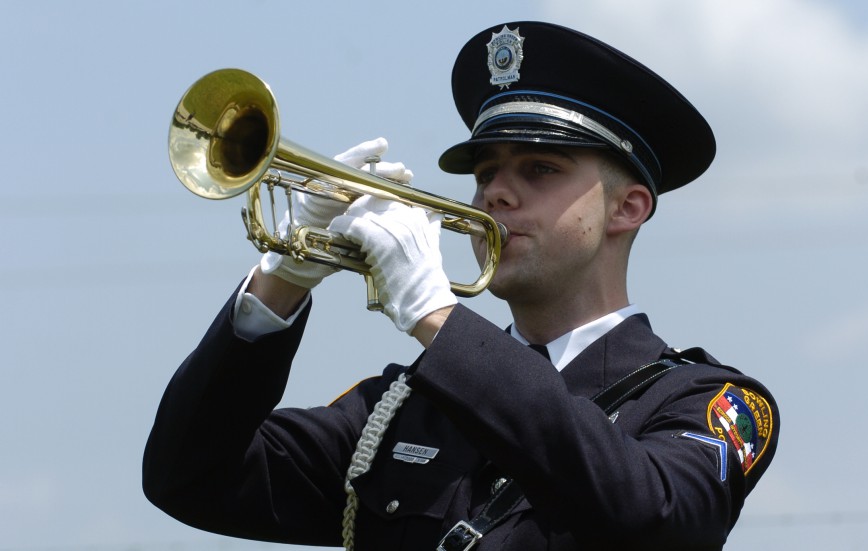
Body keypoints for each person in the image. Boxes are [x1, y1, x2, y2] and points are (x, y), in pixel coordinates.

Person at [143, 21, 779, 551]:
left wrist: (435, 317)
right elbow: (188, 479)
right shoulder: (398, 410)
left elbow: (653, 519)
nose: (495, 192)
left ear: (628, 208)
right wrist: (280, 283)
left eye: (540, 168)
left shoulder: (704, 403)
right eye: (485, 171)